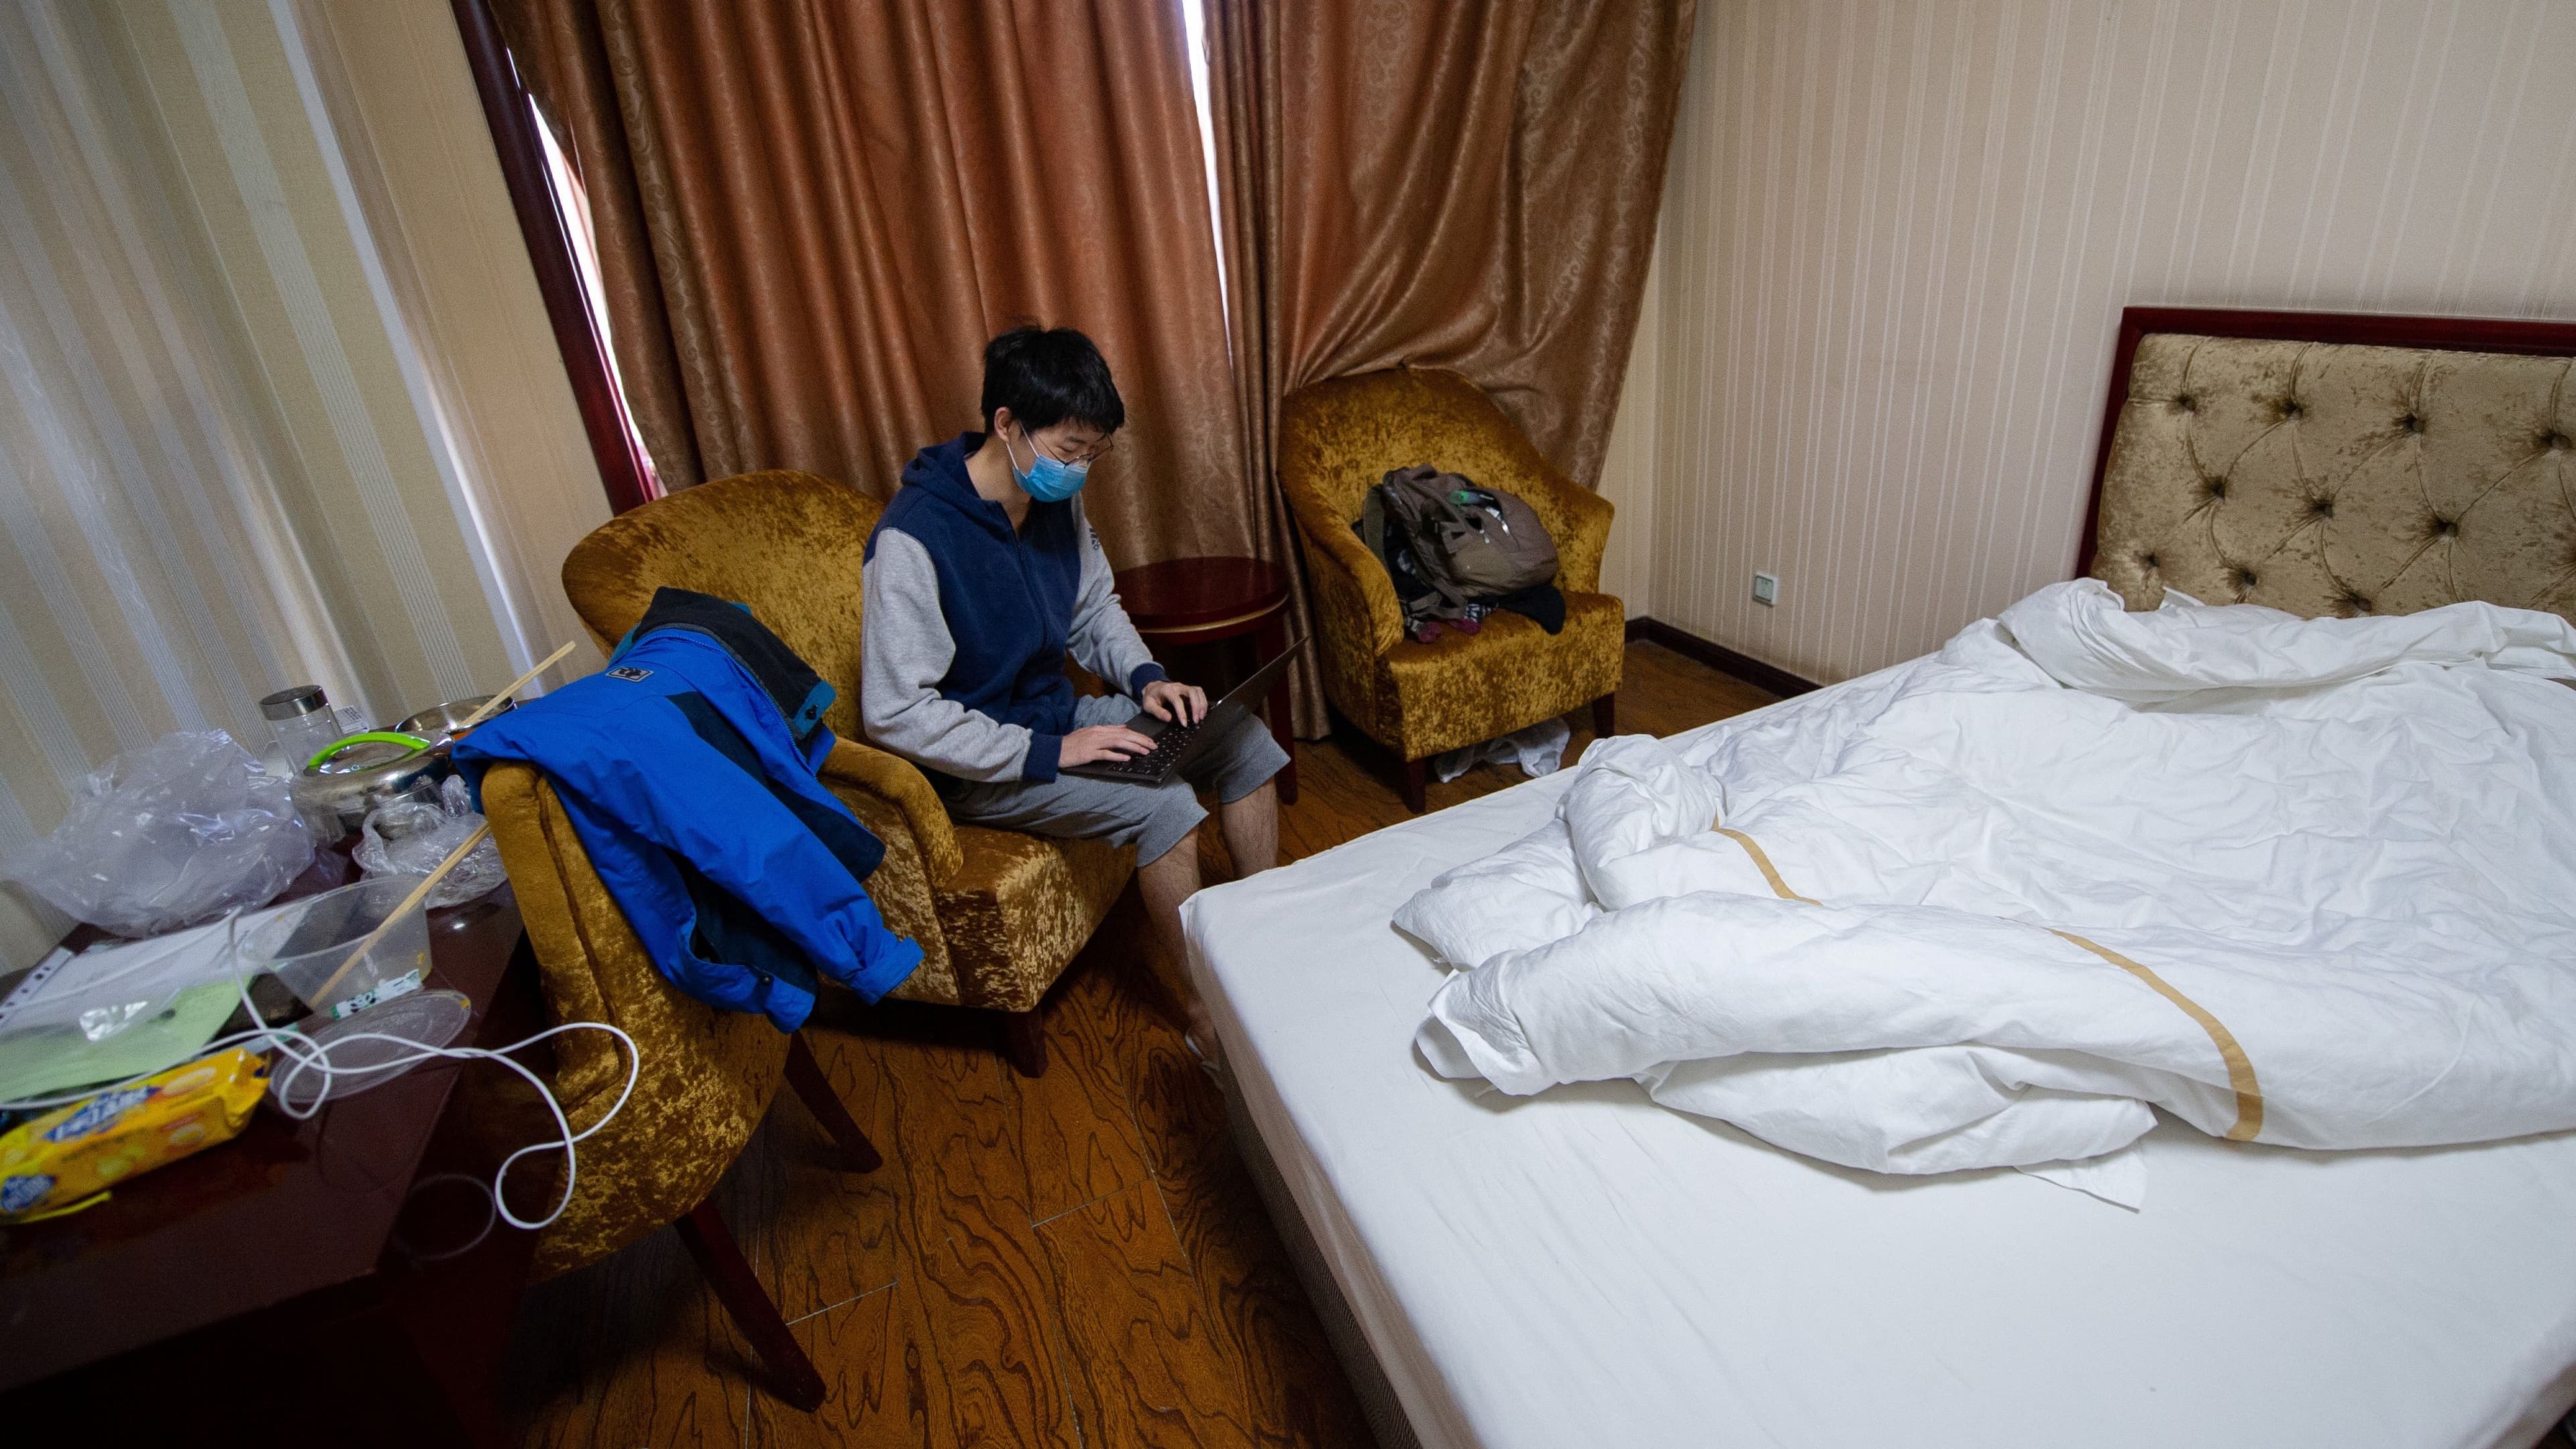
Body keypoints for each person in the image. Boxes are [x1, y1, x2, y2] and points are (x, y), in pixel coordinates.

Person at [862, 325, 1286, 1055]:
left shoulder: (1054, 500)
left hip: (1057, 715)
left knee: (1242, 737)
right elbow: (897, 712)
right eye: (1068, 450)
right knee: (1166, 807)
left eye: (1094, 452)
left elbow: (1094, 610)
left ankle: (1273, 935)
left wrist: (1148, 679)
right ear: (1007, 424)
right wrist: (1052, 751)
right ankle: (1211, 1018)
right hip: (983, 766)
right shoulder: (913, 539)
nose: (1080, 469)